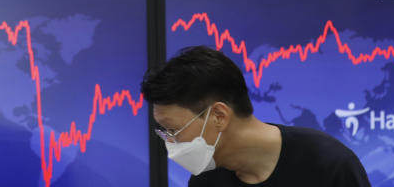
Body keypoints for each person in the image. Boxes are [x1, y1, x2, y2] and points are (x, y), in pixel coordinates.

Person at [141, 46, 371, 186]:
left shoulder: (328, 165)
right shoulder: (207, 180)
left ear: (219, 116)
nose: (170, 142)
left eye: (173, 130)